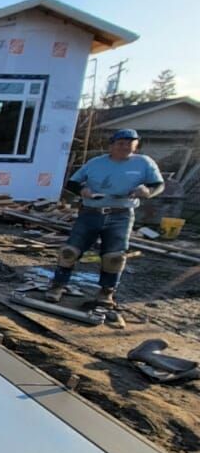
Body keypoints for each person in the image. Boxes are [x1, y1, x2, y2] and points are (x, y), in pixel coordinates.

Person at [45, 128, 164, 318]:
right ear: (112, 145)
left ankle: (106, 292)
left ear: (136, 145)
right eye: (121, 143)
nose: (125, 147)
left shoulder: (144, 163)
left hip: (121, 214)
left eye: (130, 144)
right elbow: (72, 183)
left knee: (114, 257)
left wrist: (147, 191)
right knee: (70, 251)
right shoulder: (96, 163)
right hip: (91, 212)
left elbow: (157, 185)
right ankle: (57, 286)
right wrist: (83, 189)